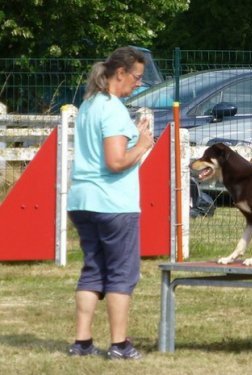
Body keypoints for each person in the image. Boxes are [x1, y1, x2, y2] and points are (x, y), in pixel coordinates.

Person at [67, 46, 154, 359]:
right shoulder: (114, 109)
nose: (138, 84)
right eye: (136, 77)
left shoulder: (89, 104)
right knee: (121, 274)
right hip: (113, 203)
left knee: (92, 270)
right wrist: (142, 144)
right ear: (120, 73)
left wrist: (135, 136)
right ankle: (119, 345)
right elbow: (116, 161)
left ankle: (82, 342)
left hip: (82, 200)